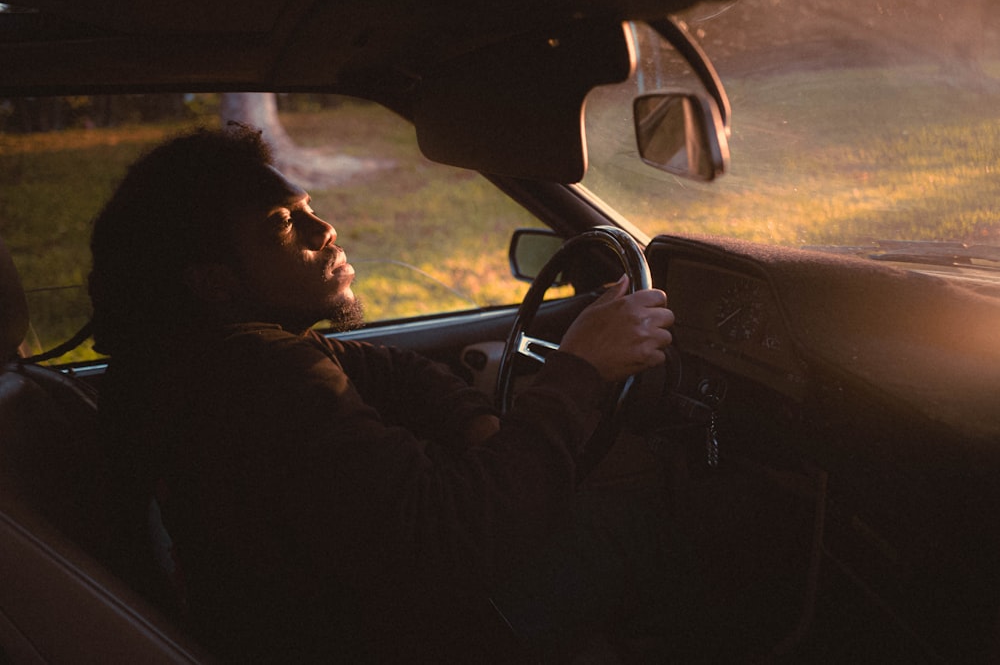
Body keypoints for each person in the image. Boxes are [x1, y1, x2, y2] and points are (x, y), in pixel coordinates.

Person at [89, 124, 681, 663]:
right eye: (283, 224)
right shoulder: (258, 375)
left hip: (333, 616)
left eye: (309, 209)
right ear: (214, 282)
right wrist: (577, 369)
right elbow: (452, 538)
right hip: (406, 637)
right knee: (654, 512)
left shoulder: (186, 360)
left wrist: (485, 427)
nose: (325, 230)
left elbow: (395, 371)